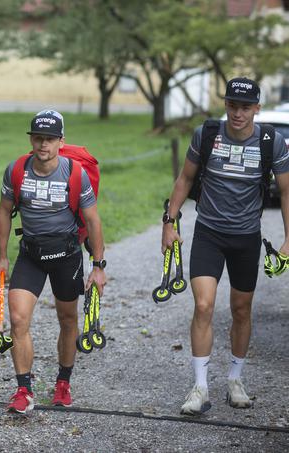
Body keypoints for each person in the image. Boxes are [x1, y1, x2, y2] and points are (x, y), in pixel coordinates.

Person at [162, 77, 289, 415]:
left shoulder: (270, 142)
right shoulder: (206, 135)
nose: (238, 112)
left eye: (245, 107)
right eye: (232, 105)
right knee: (204, 306)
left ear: (256, 109)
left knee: (241, 310)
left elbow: (287, 191)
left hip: (246, 238)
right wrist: (169, 223)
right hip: (209, 234)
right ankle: (200, 387)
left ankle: (235, 380)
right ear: (226, 105)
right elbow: (185, 179)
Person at [0, 110, 107, 414]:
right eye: (38, 138)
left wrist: (98, 266)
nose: (43, 144)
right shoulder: (17, 170)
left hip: (66, 256)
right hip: (30, 255)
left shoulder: (74, 174)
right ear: (31, 139)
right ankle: (23, 389)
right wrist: (3, 255)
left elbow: (93, 220)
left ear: (61, 142)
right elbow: (4, 210)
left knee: (68, 320)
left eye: (50, 139)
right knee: (18, 319)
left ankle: (63, 382)